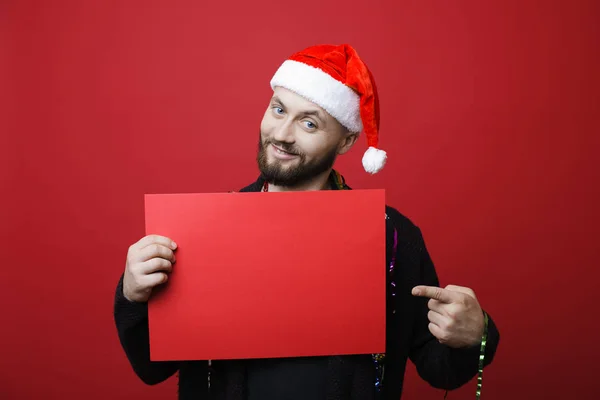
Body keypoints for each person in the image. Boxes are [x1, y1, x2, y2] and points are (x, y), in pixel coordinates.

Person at [113, 44, 500, 400]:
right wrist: (131, 293)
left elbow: (440, 370)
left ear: (346, 141)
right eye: (278, 109)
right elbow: (151, 368)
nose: (281, 134)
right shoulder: (202, 229)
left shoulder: (392, 237)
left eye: (309, 123)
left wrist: (475, 334)